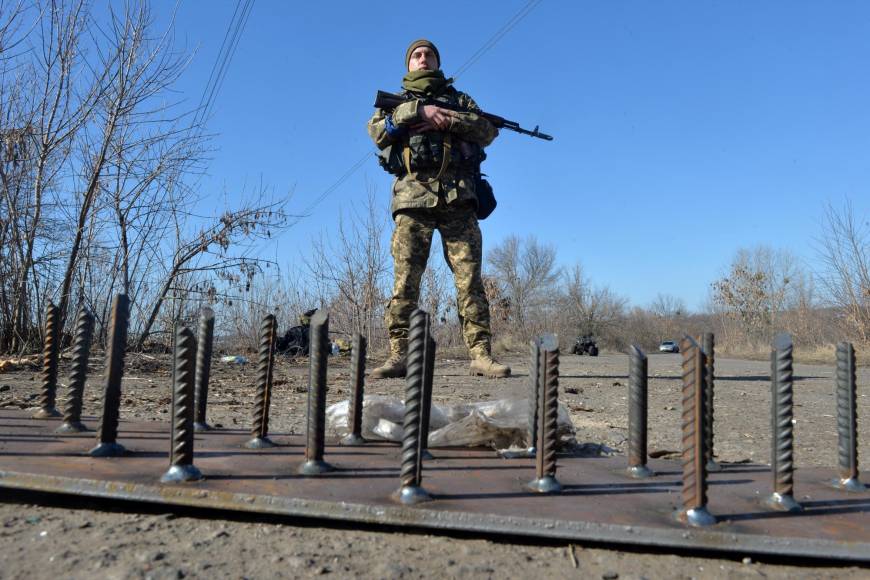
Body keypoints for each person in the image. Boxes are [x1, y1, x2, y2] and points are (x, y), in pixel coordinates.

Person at [366, 38, 510, 379]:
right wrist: (418, 112)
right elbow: (377, 132)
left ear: (437, 61)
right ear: (409, 64)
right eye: (417, 55)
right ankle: (400, 355)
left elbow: (487, 131)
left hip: (458, 199)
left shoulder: (460, 100)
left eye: (428, 54)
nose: (423, 59)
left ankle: (481, 354)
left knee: (470, 280)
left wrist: (448, 120)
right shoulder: (397, 101)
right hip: (412, 199)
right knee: (406, 281)